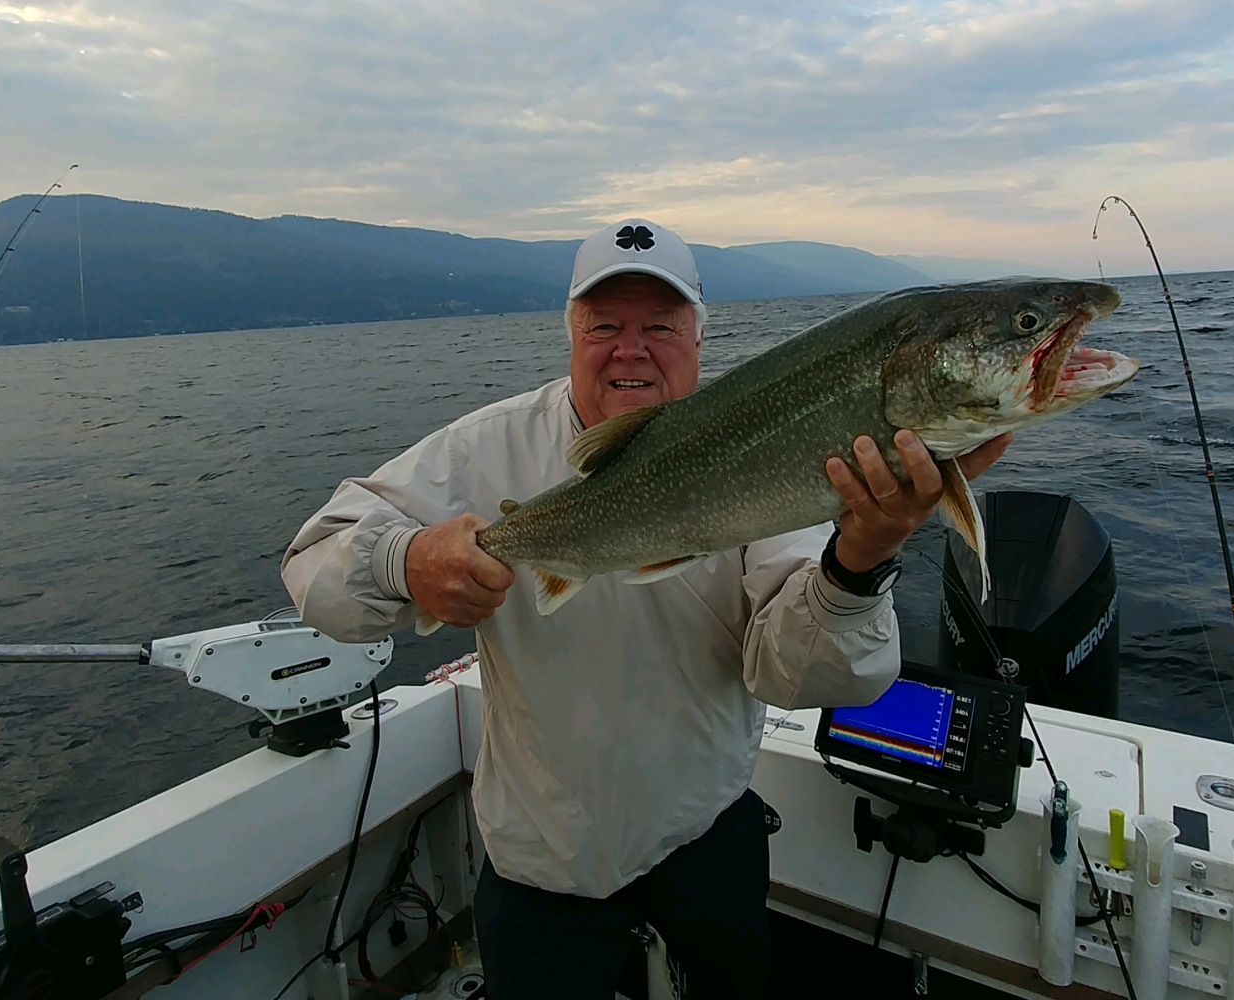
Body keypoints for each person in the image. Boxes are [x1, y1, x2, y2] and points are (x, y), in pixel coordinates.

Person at [281, 218, 1010, 999]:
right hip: (542, 863)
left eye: (660, 325)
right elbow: (313, 560)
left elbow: (800, 674)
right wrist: (406, 559)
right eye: (605, 326)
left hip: (705, 838)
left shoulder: (767, 448)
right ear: (571, 333)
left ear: (699, 338)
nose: (631, 349)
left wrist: (860, 560)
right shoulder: (487, 448)